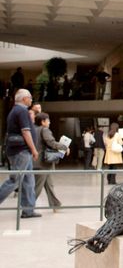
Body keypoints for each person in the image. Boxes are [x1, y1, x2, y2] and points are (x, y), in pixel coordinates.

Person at [0, 89, 40, 218]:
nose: (31, 100)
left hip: (21, 151)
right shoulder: (21, 111)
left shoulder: (16, 110)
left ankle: (28, 210)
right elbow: (26, 131)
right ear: (24, 99)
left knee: (28, 181)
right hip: (21, 151)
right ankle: (28, 210)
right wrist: (34, 149)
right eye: (30, 97)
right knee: (15, 180)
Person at [33, 112, 68, 211]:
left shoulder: (34, 130)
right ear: (43, 121)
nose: (49, 122)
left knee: (49, 185)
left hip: (39, 162)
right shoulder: (44, 130)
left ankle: (55, 205)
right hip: (42, 163)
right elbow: (51, 143)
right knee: (37, 187)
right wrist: (64, 147)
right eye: (48, 120)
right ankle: (27, 207)